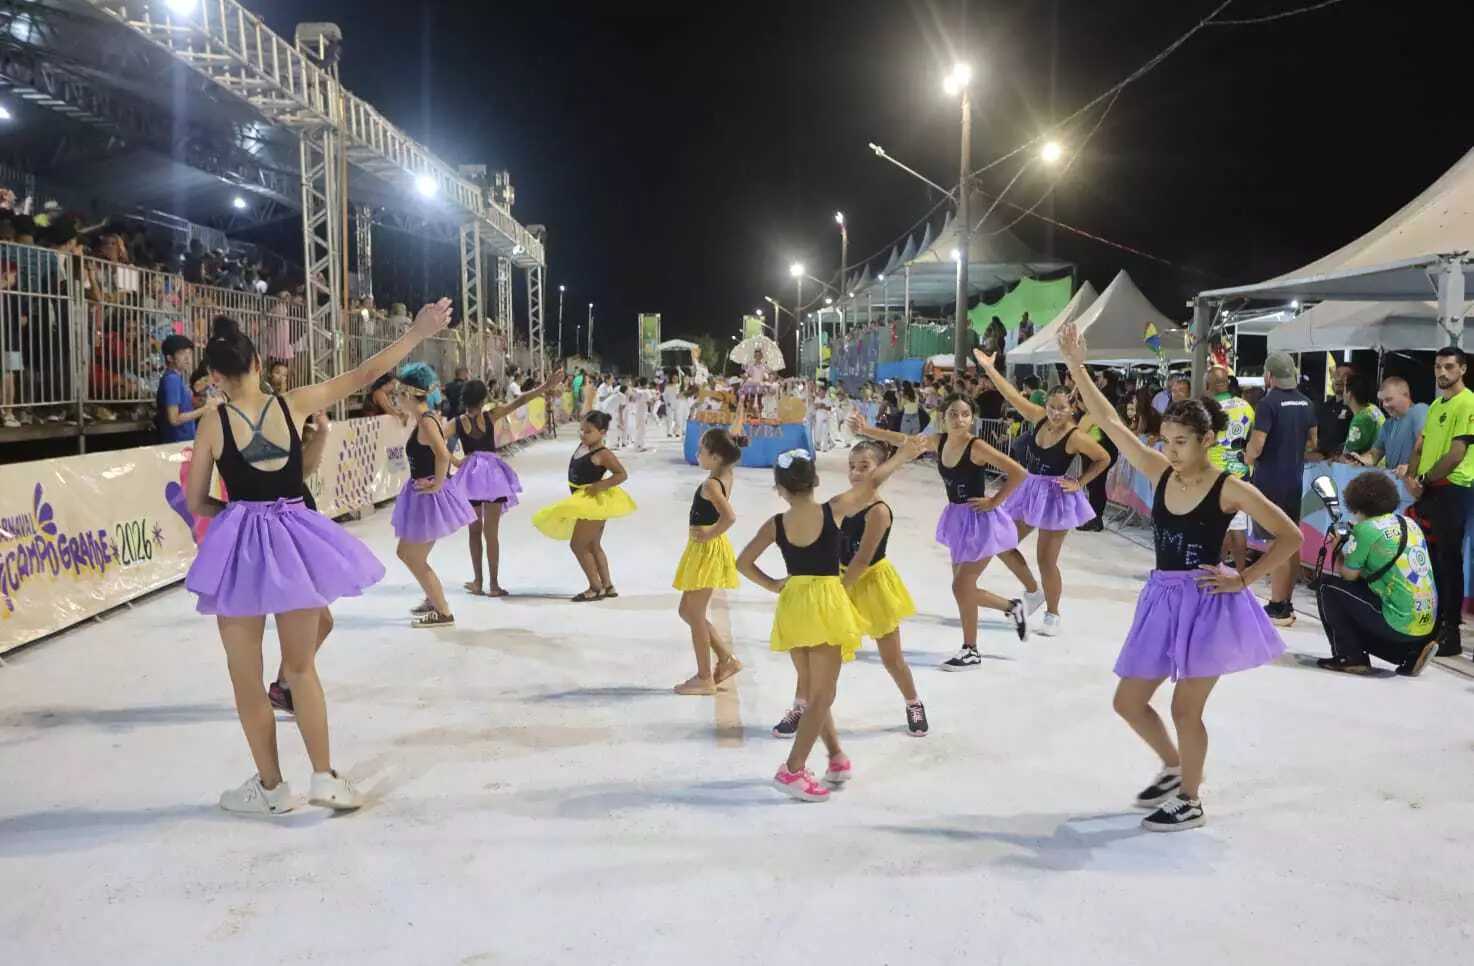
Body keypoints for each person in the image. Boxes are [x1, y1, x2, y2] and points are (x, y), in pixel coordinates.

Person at [184, 299, 452, 815]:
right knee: (301, 669)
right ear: (259, 364)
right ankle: (325, 778)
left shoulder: (212, 424)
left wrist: (238, 515)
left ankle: (270, 789)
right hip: (293, 540)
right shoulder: (295, 403)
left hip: (239, 548)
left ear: (214, 377)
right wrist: (418, 331)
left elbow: (198, 501)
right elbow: (367, 372)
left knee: (245, 680)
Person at [1059, 319, 1299, 832]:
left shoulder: (1231, 488)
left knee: (1186, 709)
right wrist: (1077, 366)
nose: (1169, 449)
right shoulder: (1158, 470)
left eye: (1180, 442)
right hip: (1163, 598)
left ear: (1207, 440)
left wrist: (1243, 578)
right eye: (1166, 439)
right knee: (1128, 700)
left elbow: (1290, 537)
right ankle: (1173, 767)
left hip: (1209, 605)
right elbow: (1107, 419)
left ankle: (1190, 798)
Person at [736, 448, 909, 802]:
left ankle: (834, 756)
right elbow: (874, 481)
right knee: (823, 693)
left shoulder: (776, 524)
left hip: (794, 602)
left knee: (815, 688)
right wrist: (905, 452)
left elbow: (743, 563)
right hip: (826, 602)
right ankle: (792, 770)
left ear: (778, 489)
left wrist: (773, 584)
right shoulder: (833, 510)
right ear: (815, 481)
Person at [852, 394, 1031, 670]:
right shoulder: (940, 440)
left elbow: (1018, 472)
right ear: (943, 418)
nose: (959, 420)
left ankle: (971, 650)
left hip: (981, 521)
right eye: (953, 415)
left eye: (965, 414)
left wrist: (995, 501)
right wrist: (867, 430)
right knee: (963, 590)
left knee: (961, 585)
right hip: (958, 519)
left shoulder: (977, 446)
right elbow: (903, 440)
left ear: (972, 418)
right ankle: (1010, 607)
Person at [974, 348, 1112, 635]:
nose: (1056, 413)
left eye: (1062, 408)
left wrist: (1080, 482)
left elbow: (1104, 458)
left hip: (1056, 497)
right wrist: (990, 368)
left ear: (1071, 408)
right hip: (1029, 489)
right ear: (1046, 406)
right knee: (1001, 540)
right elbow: (1012, 395)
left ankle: (1053, 614)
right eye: (1052, 407)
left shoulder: (1076, 437)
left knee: (1046, 560)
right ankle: (1032, 591)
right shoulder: (1038, 418)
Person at [839, 439, 929, 736]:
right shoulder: (843, 502)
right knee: (821, 654)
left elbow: (863, 559)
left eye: (864, 467)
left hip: (870, 584)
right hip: (841, 577)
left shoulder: (878, 511)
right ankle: (802, 706)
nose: (856, 473)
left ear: (879, 470)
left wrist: (836, 592)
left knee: (892, 658)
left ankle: (913, 702)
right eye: (852, 467)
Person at [1314, 471, 1439, 677]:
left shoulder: (1365, 531)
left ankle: (1349, 656)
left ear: (1354, 504)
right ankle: (1409, 654)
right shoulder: (1408, 523)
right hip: (1423, 621)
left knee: (1328, 587)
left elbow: (1349, 577)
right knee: (1365, 599)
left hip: (1397, 622)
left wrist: (1338, 548)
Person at [449, 373, 561, 596]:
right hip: (492, 476)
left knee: (474, 530)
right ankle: (493, 585)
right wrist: (545, 386)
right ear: (484, 399)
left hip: (470, 476)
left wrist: (456, 461)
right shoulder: (490, 416)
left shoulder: (457, 423)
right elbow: (520, 400)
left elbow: (437, 442)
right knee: (491, 533)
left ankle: (478, 582)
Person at [390, 362, 477, 628]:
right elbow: (441, 451)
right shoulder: (426, 419)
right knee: (407, 552)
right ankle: (433, 597)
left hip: (428, 495)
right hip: (422, 493)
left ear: (407, 393)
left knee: (411, 555)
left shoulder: (427, 421)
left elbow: (440, 454)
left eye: (398, 394)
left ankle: (443, 611)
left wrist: (438, 483)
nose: (396, 399)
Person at [1405, 346, 1474, 658]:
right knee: (1429, 562)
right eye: (1438, 367)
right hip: (1431, 490)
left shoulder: (1468, 402)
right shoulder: (1435, 406)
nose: (1442, 373)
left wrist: (1424, 480)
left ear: (1462, 370)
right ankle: (1432, 625)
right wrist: (1412, 476)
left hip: (1454, 489)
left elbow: (1457, 453)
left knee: (1449, 562)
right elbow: (1421, 445)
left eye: (1449, 367)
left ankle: (1451, 632)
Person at [531, 411, 637, 600]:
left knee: (578, 545)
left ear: (602, 432)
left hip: (592, 503)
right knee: (594, 545)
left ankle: (595, 587)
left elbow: (621, 474)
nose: (583, 434)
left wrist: (600, 485)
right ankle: (607, 585)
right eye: (581, 430)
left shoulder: (603, 454)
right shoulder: (583, 446)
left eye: (588, 431)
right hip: (582, 500)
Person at [1245, 351, 1317, 627]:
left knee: (1277, 542)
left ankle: (1277, 606)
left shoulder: (1268, 403)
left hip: (1269, 480)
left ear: (1268, 375)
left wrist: (1247, 458)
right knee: (1291, 538)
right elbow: (1313, 441)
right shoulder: (1307, 403)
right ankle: (1286, 601)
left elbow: (1258, 444)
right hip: (1294, 479)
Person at [671, 428, 744, 695]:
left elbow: (730, 517)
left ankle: (704, 677)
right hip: (706, 548)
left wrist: (709, 535)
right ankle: (726, 659)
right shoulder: (723, 475)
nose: (696, 454)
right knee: (687, 611)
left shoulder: (712, 484)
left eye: (701, 451)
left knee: (695, 614)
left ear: (715, 457)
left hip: (707, 549)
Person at [1206, 367, 1255, 572]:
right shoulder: (1247, 407)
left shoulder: (1209, 409)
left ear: (1209, 385)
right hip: (1241, 471)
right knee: (1238, 525)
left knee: (1217, 524)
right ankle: (1241, 571)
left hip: (1215, 472)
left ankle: (1216, 566)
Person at [1354, 377, 1427, 472]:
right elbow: (1375, 454)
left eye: (1388, 399)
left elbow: (1425, 443)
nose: (1384, 405)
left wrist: (1410, 468)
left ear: (1405, 395)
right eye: (1382, 401)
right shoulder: (1387, 424)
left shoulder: (1420, 410)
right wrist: (1361, 460)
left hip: (1414, 482)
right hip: (1394, 481)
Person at [156, 334, 218, 442]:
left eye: (189, 353)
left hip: (182, 440)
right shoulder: (172, 379)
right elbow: (174, 419)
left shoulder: (176, 379)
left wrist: (198, 403)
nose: (187, 358)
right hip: (176, 442)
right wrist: (205, 409)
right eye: (182, 353)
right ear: (170, 358)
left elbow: (183, 408)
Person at [1340, 373, 1384, 460]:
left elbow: (1349, 455)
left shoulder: (1361, 419)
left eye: (1344, 390)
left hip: (1371, 469)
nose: (1343, 394)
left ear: (1350, 394)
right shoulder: (1373, 408)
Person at [1315, 363, 1354, 459]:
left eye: (1345, 376)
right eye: (1337, 374)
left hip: (1343, 462)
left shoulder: (1354, 408)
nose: (1339, 379)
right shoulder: (1325, 406)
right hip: (1322, 461)